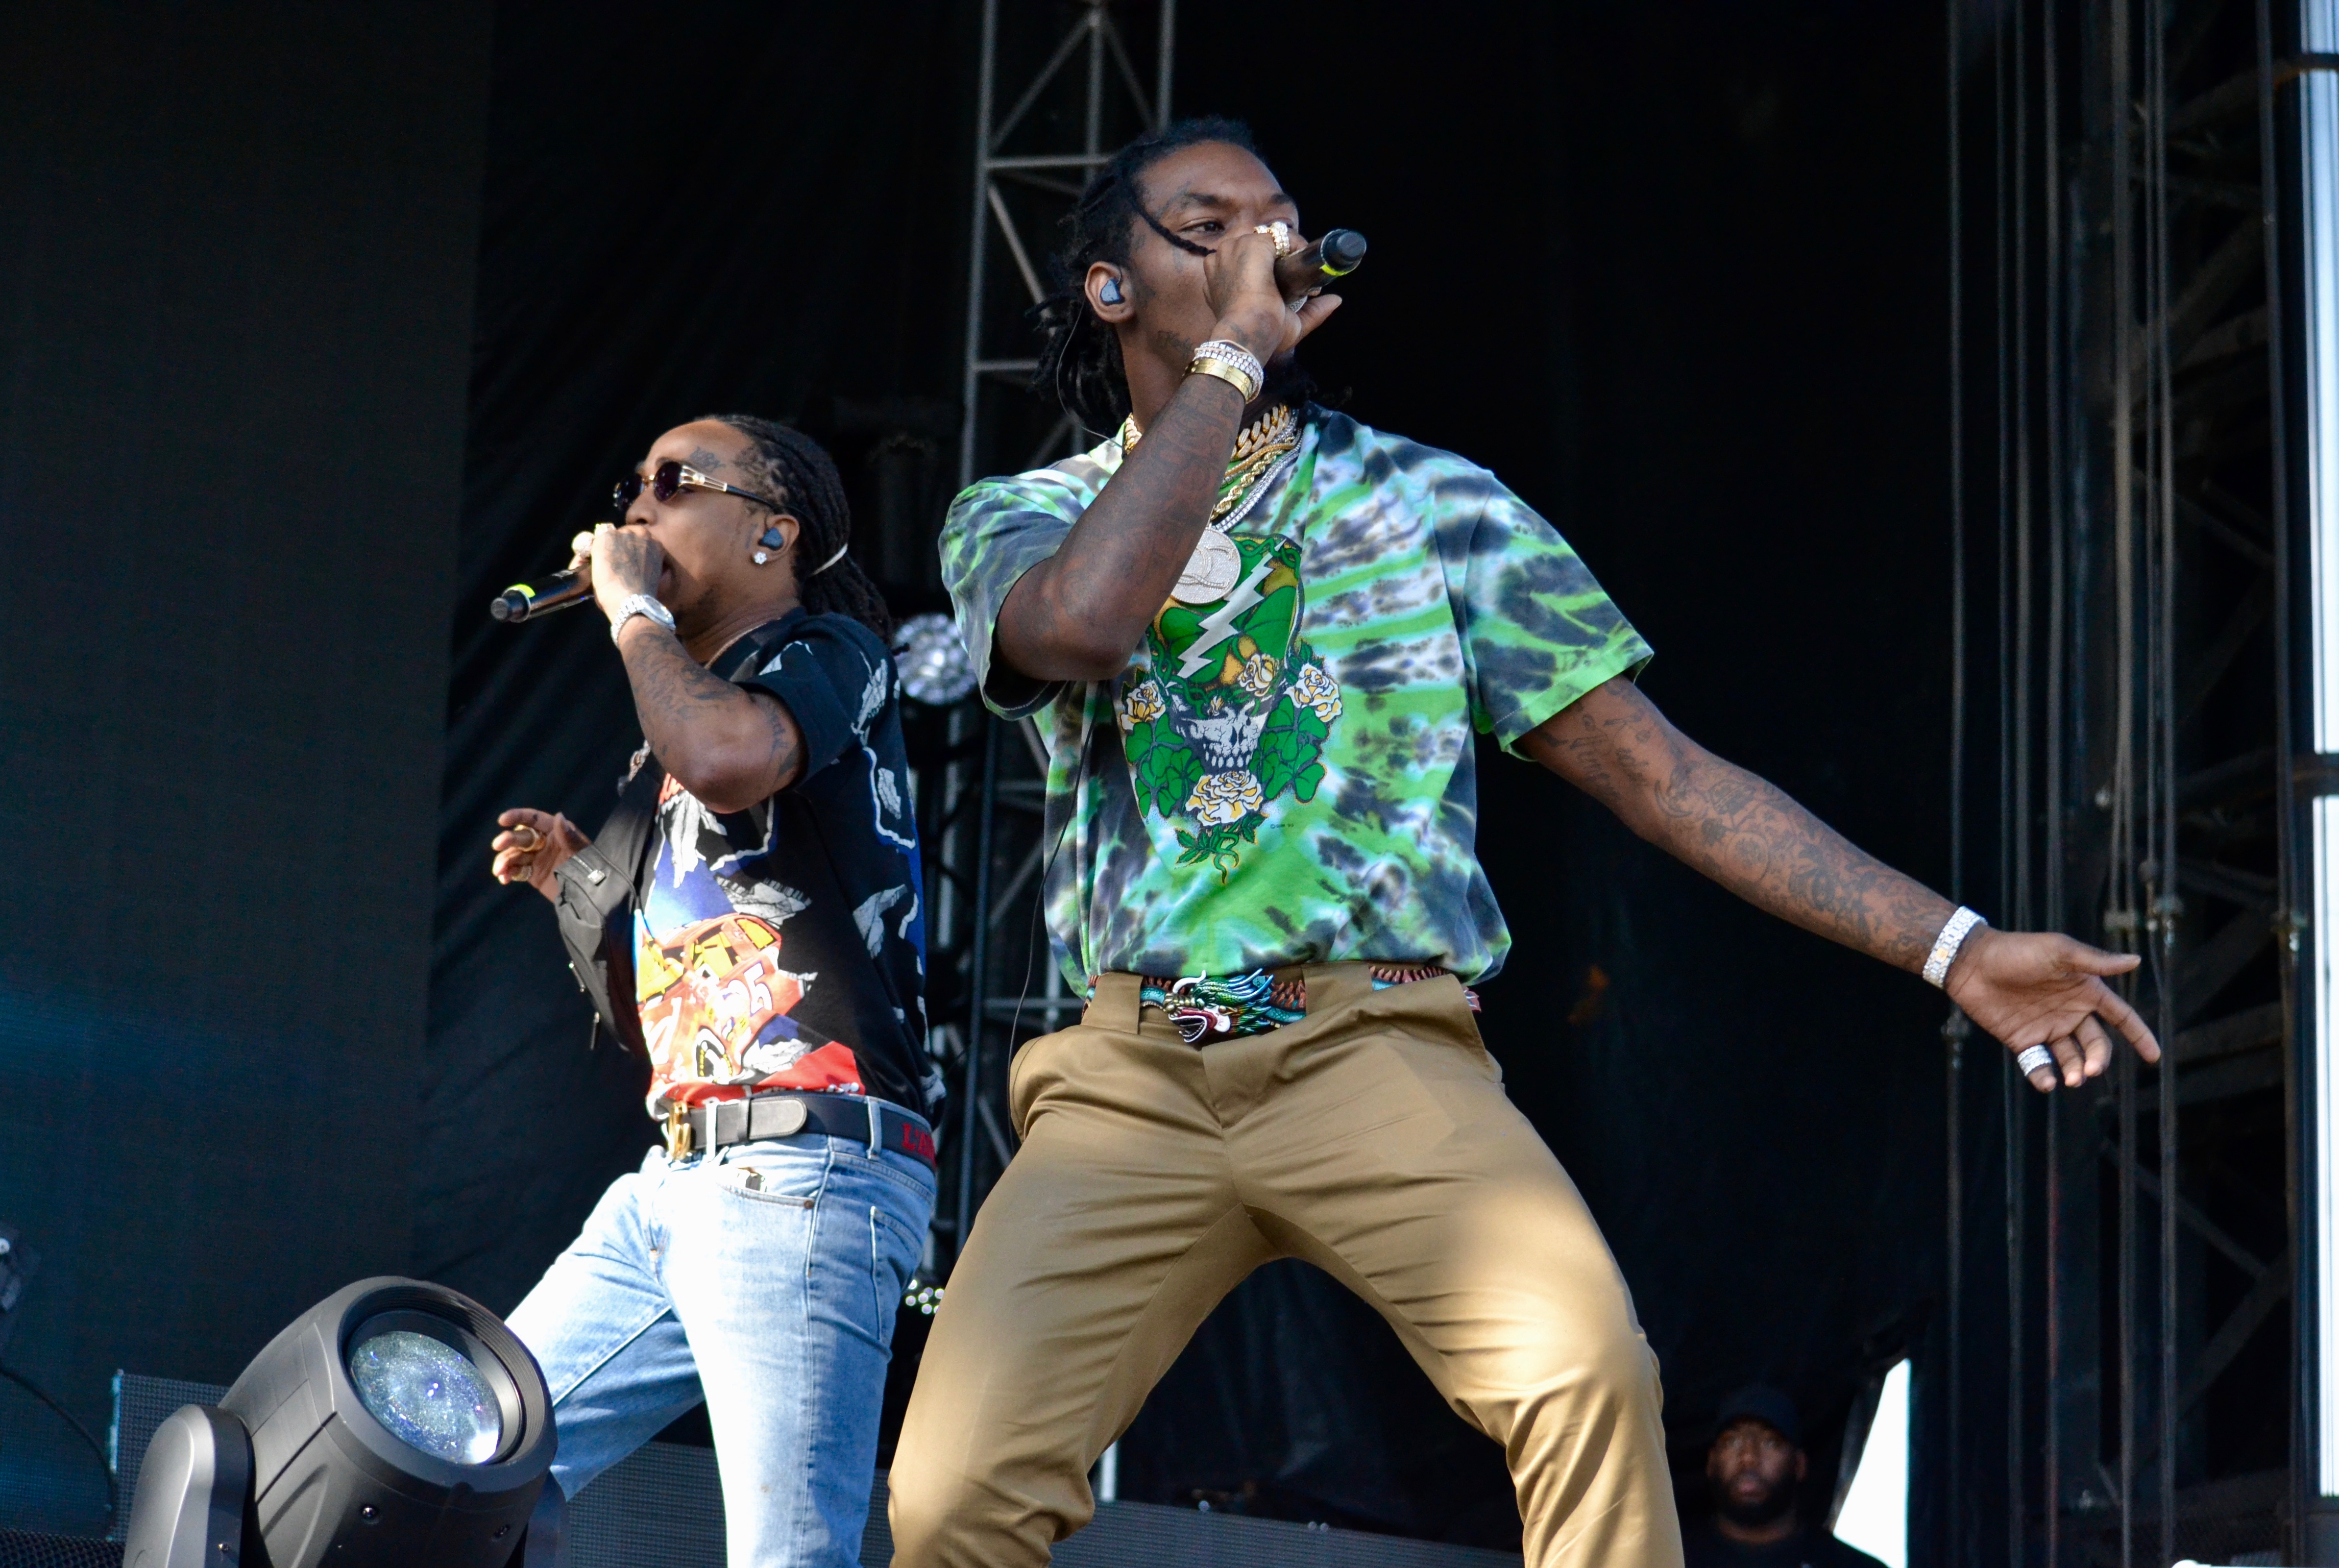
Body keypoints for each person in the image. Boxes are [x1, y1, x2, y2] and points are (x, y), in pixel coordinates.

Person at [895, 116, 2156, 1568]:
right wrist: (1233, 361)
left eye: (1280, 224)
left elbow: (1665, 779)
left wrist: (1957, 946)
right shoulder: (1021, 516)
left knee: (1586, 1380)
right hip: (1130, 1074)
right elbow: (1085, 626)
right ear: (1111, 289)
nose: (1260, 249)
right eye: (1205, 228)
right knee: (949, 1500)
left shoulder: (1437, 507)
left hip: (1374, 1048)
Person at [486, 416, 941, 1568]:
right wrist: (573, 885)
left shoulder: (829, 654)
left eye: (673, 482)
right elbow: (667, 995)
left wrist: (633, 612)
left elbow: (734, 758)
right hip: (674, 1182)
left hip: (806, 1171)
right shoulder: (666, 738)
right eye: (630, 484)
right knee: (468, 1452)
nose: (636, 507)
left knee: (786, 1556)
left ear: (771, 534)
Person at [1686, 1387, 1885, 1568]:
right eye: (1733, 1441)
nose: (1748, 1457)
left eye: (1770, 1443)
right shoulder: (1668, 1557)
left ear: (1798, 1465)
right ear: (1711, 1462)